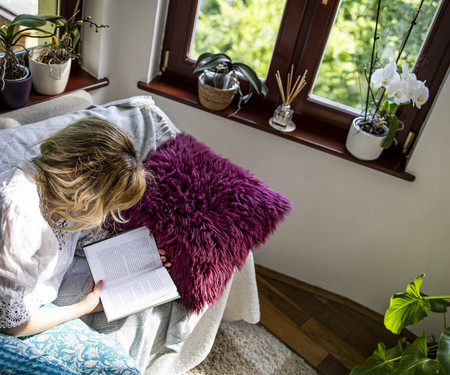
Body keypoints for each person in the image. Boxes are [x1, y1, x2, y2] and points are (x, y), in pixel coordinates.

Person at [0, 117, 170, 337]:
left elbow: (82, 239)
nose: (105, 216)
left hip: (44, 291)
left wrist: (141, 255)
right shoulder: (20, 215)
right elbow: (12, 324)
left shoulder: (60, 183)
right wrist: (84, 307)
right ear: (85, 192)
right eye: (106, 206)